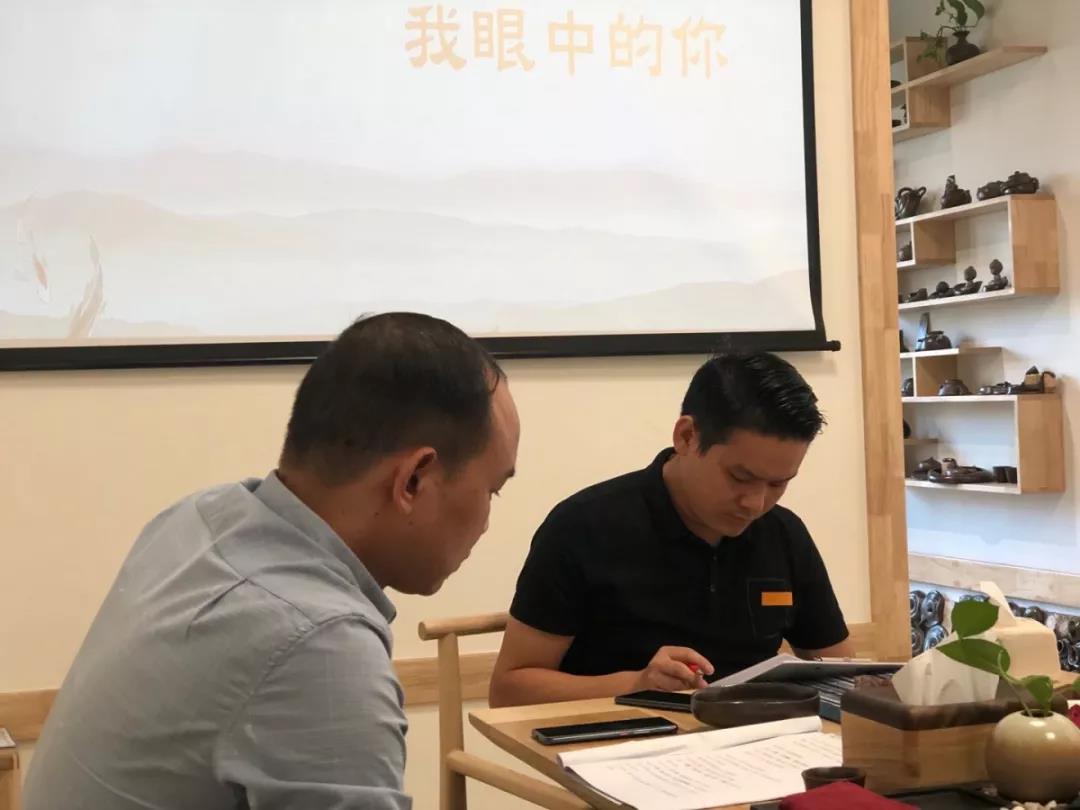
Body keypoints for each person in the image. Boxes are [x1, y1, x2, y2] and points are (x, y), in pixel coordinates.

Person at [24, 313, 520, 810]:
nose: (485, 523)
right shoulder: (320, 642)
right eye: (492, 490)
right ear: (413, 480)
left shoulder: (199, 518)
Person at [489, 352, 850, 708]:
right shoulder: (583, 527)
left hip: (757, 739)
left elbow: (843, 672)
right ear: (687, 436)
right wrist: (637, 684)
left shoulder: (784, 535)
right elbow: (509, 690)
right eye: (740, 477)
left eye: (778, 484)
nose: (755, 504)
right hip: (619, 737)